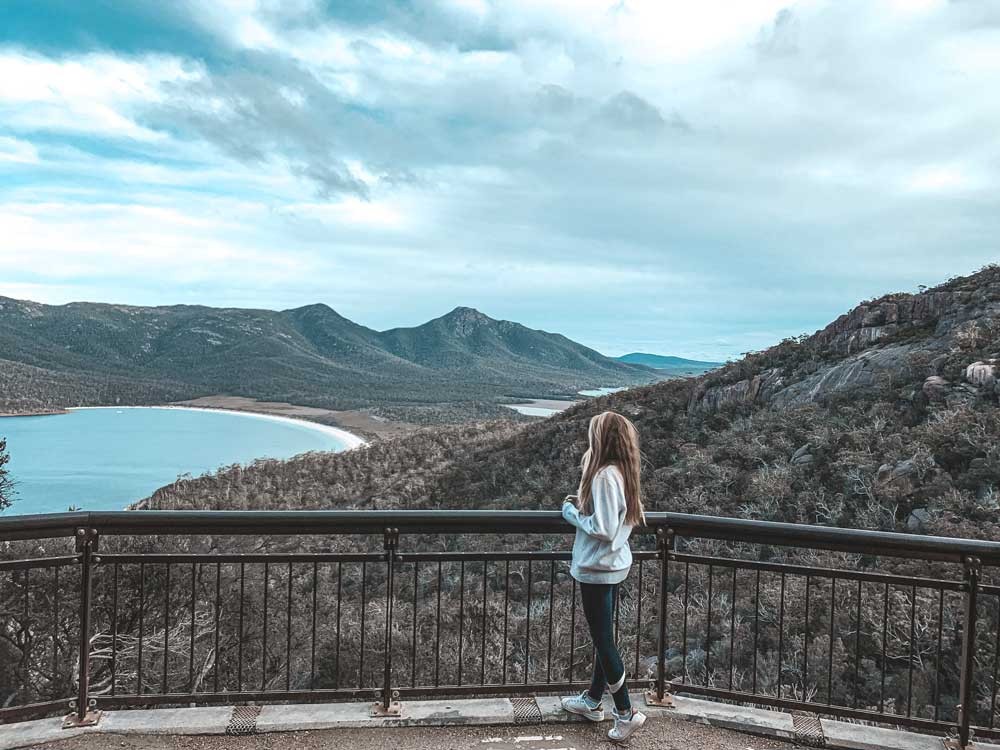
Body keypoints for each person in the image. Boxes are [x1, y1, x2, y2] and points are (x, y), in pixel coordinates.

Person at [560, 410, 647, 743]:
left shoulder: (604, 476)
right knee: (603, 636)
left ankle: (625, 712)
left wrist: (572, 513)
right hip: (613, 566)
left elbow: (604, 528)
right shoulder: (624, 472)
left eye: (593, 432)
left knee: (603, 640)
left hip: (597, 568)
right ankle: (593, 701)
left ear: (603, 439)